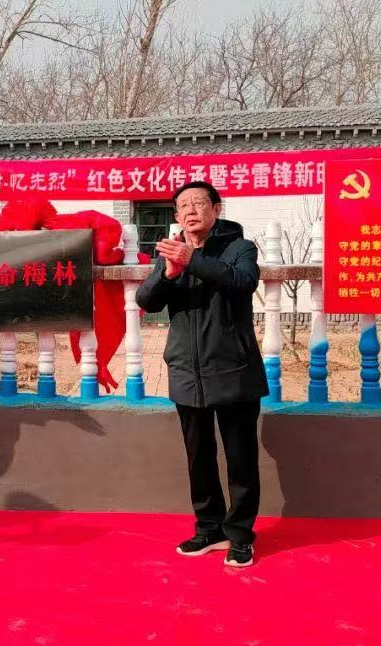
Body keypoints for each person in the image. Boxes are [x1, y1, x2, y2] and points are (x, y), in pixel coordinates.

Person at [136, 180, 268, 567]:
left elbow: (243, 281)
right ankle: (209, 528)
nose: (191, 210)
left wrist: (192, 260)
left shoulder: (240, 248)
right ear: (177, 216)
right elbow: (146, 300)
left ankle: (240, 534)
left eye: (199, 203)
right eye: (183, 206)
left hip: (233, 370)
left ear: (216, 209)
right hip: (186, 372)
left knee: (241, 459)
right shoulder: (172, 251)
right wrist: (168, 273)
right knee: (199, 458)